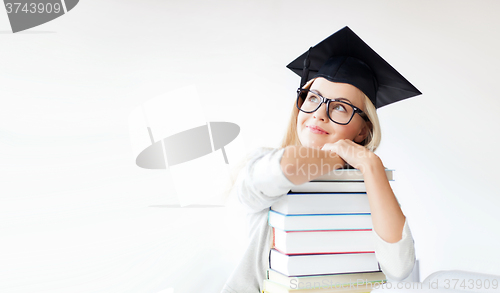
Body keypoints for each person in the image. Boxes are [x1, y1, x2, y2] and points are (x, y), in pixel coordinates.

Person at [221, 26, 421, 293]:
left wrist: (372, 167)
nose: (319, 114)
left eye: (339, 106)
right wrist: (335, 158)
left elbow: (399, 267)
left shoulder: (367, 184)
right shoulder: (261, 162)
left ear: (363, 129)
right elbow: (289, 166)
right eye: (313, 98)